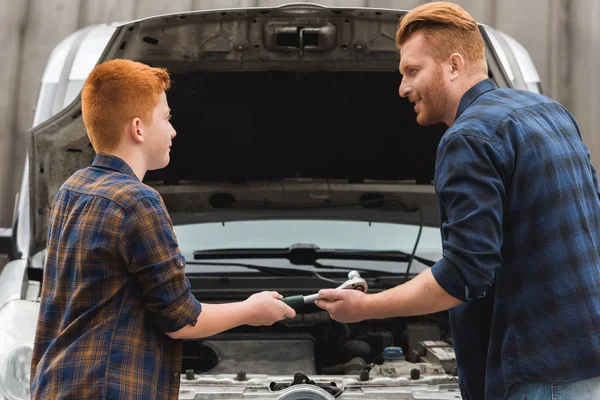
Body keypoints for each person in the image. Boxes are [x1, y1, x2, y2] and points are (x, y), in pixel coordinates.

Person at [315, 2, 600, 399]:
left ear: (453, 65)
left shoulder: (468, 138)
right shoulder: (551, 112)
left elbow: (466, 273)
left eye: (412, 71)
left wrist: (364, 308)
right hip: (585, 357)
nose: (402, 88)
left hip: (537, 373)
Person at [30, 59, 296, 399]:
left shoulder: (72, 188)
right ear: (138, 129)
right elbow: (181, 320)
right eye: (167, 118)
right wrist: (251, 310)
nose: (172, 131)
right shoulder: (137, 201)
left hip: (57, 385)